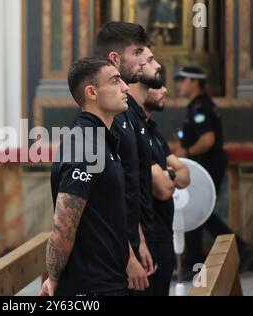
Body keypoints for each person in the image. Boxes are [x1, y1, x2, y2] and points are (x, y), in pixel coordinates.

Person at [40, 57, 130, 296]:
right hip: (90, 289)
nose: (126, 87)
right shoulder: (84, 146)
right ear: (92, 92)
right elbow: (63, 228)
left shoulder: (100, 140)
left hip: (109, 283)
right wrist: (54, 278)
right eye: (115, 81)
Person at [173, 66, 253, 277]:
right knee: (200, 210)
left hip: (206, 164)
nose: (179, 84)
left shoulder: (201, 107)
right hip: (205, 164)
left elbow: (208, 140)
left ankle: (197, 260)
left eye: (182, 80)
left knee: (197, 209)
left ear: (193, 82)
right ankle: (234, 249)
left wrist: (186, 151)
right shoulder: (198, 106)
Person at [94, 21, 154, 293]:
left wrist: (138, 239)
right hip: (112, 254)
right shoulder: (106, 118)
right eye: (138, 52)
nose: (144, 61)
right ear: (115, 59)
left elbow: (131, 183)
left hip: (130, 240)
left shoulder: (126, 110)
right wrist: (128, 255)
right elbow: (107, 198)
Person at [143, 76, 191, 296]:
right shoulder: (134, 131)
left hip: (164, 233)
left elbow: (185, 174)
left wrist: (166, 173)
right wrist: (170, 176)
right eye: (157, 86)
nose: (165, 90)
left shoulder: (153, 131)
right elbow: (162, 189)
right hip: (147, 237)